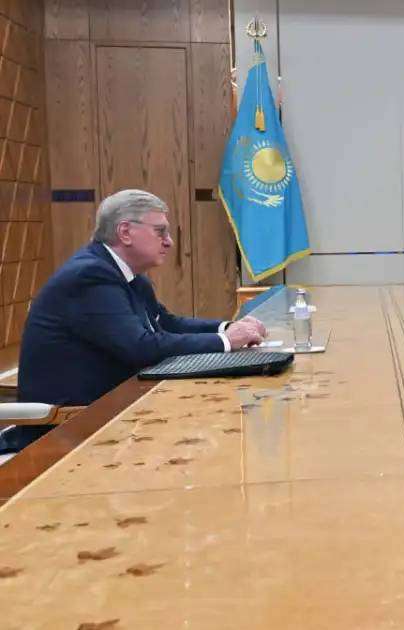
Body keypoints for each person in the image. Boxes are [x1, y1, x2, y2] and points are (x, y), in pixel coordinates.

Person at [2, 190, 267, 454]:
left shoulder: (125, 273)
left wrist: (226, 328)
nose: (170, 242)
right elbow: (140, 346)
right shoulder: (90, 275)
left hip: (114, 413)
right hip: (70, 429)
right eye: (160, 232)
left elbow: (166, 323)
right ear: (125, 232)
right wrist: (226, 342)